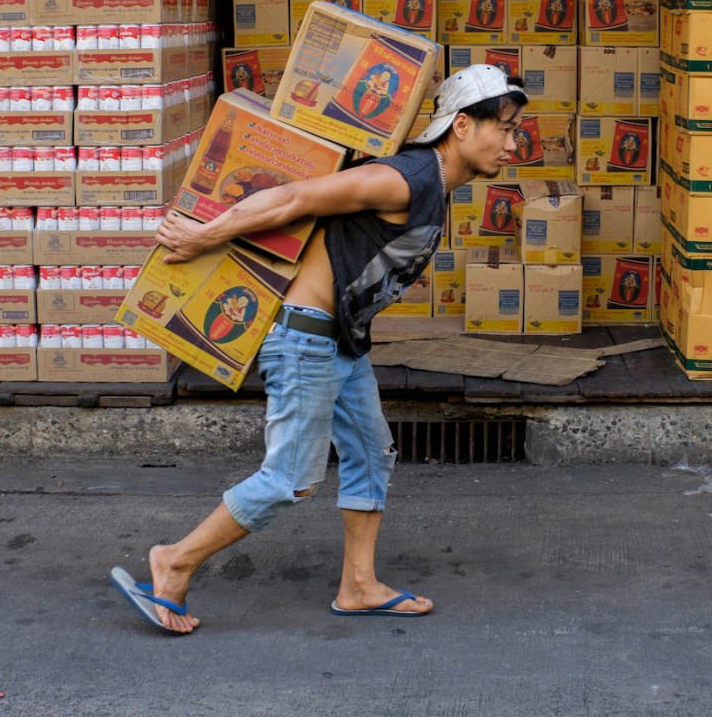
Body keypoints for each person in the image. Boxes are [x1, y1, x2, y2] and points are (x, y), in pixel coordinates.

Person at [111, 64, 529, 634]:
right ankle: (175, 560)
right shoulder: (405, 178)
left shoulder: (434, 185)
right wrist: (202, 234)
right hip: (306, 340)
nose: (512, 144)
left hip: (341, 342)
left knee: (370, 453)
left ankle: (358, 585)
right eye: (504, 129)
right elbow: (294, 198)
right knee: (289, 479)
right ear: (461, 125)